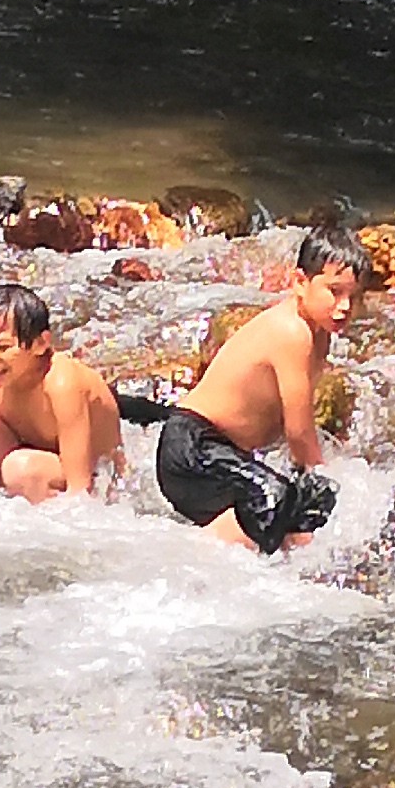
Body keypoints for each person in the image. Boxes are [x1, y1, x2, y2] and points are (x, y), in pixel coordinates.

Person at [154, 229, 365, 552]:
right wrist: (325, 476)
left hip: (223, 456)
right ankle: (185, 557)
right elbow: (298, 431)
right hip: (192, 451)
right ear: (299, 283)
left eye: (355, 296)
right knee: (275, 499)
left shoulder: (320, 333)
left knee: (295, 510)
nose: (345, 306)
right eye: (334, 292)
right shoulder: (293, 331)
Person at [0, 285, 125, 501]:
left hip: (95, 478)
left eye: (2, 347)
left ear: (40, 344)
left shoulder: (63, 384)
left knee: (21, 468)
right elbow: (1, 462)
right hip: (32, 464)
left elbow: (80, 488)